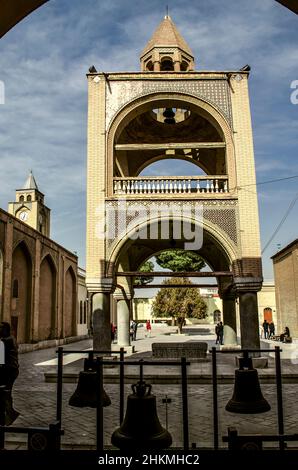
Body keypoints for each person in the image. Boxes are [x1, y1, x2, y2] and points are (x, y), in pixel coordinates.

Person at [0, 321, 20, 425]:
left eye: (1, 328)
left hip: (7, 371)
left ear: (5, 330)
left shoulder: (4, 341)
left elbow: (1, 360)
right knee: (6, 392)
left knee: (4, 393)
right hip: (12, 370)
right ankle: (7, 415)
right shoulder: (12, 339)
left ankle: (9, 415)